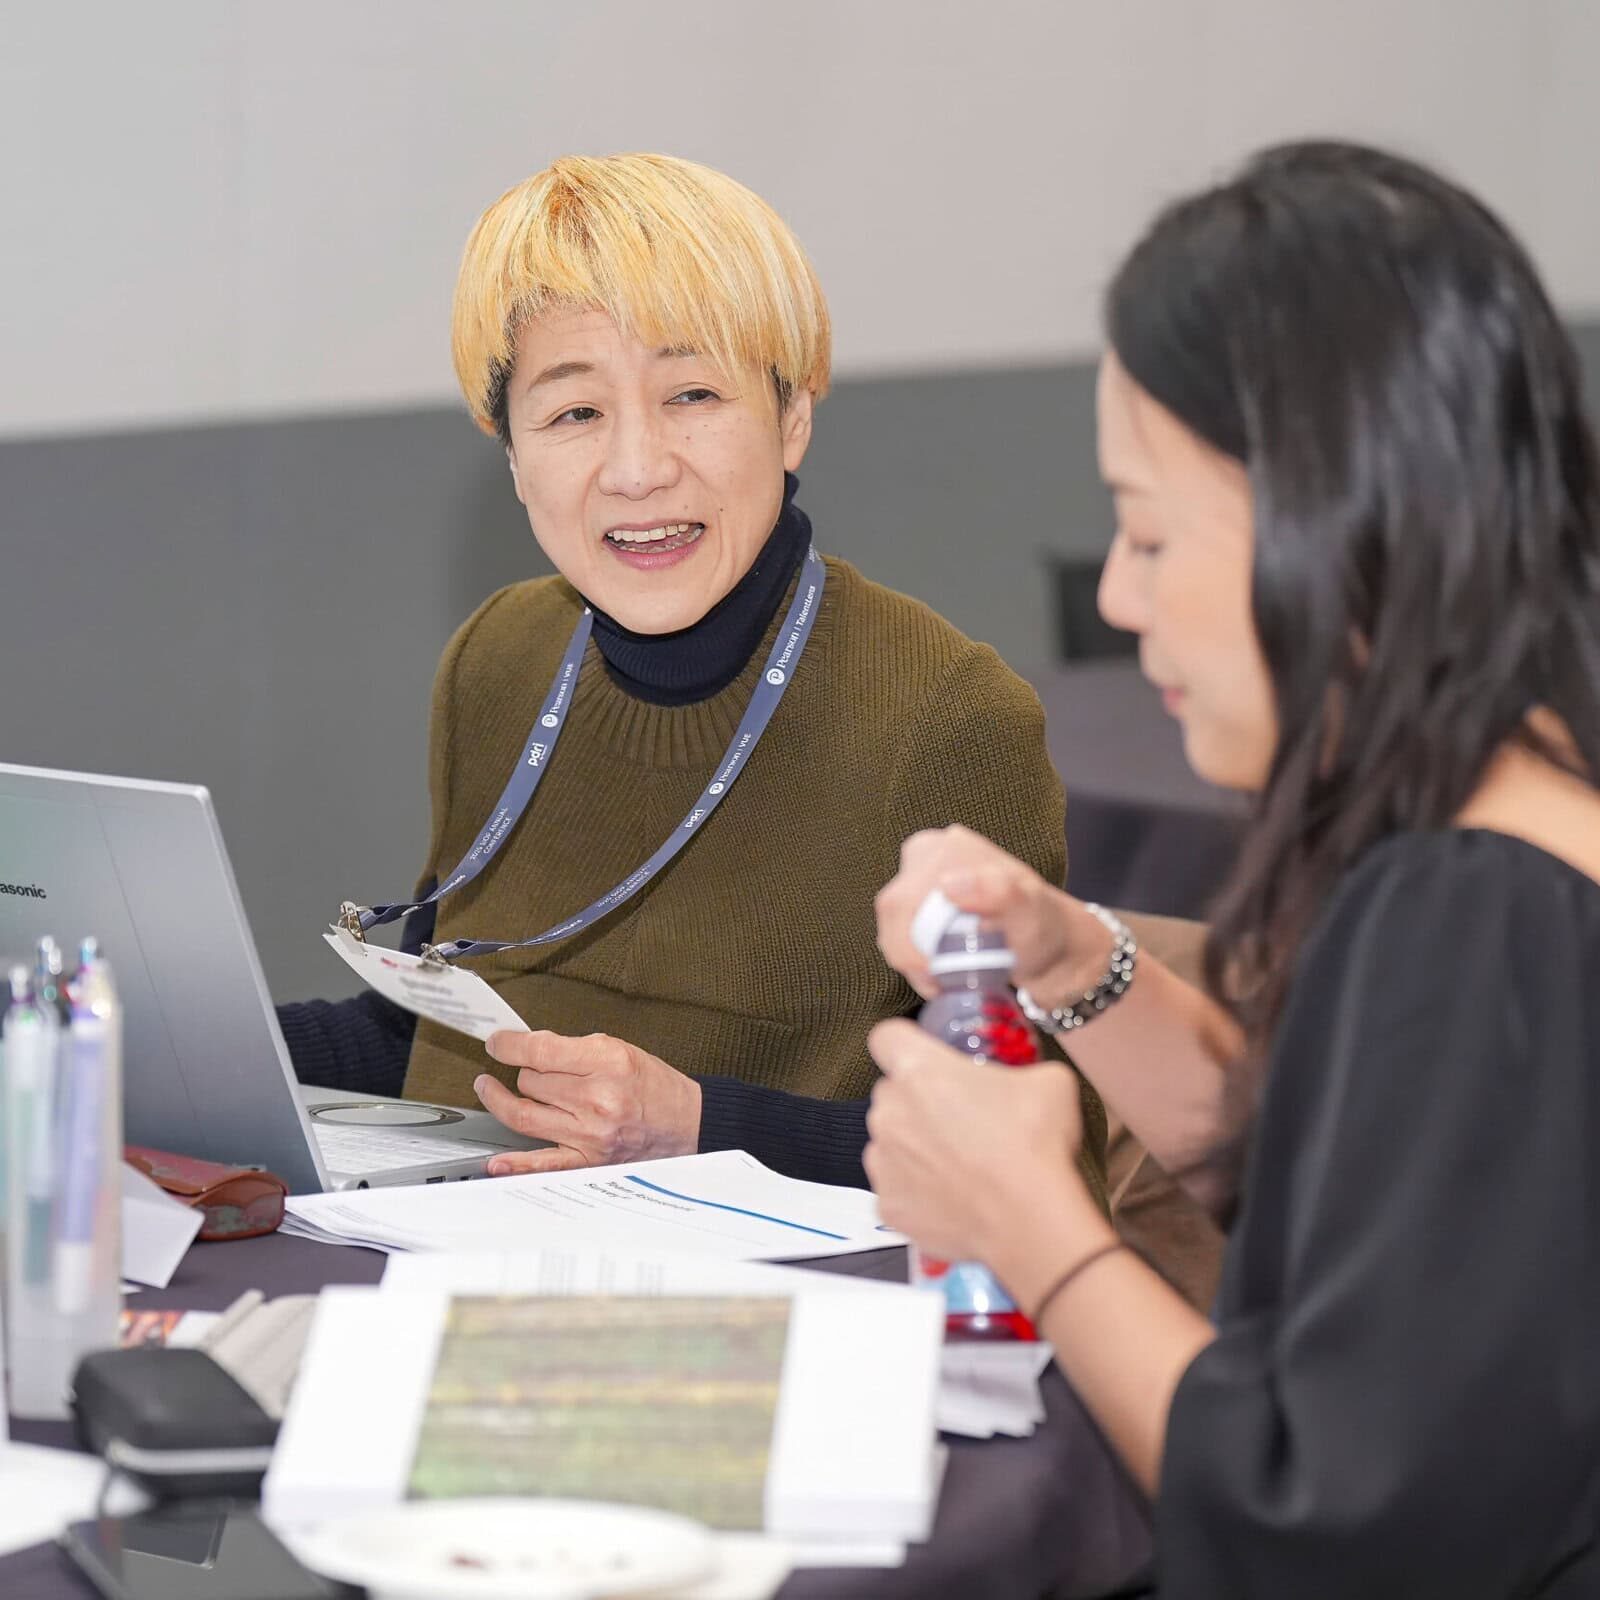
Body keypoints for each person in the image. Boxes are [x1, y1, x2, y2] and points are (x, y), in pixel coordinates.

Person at [865, 141, 1600, 1596]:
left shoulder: (1474, 905)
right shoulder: (1528, 802)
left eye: (1145, 533)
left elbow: (1323, 1516)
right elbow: (1358, 1217)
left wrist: (1028, 1220)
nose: (1122, 601)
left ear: (1333, 518)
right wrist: (1075, 964)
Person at [277, 152, 1105, 1196]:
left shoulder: (943, 717)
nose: (636, 467)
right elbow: (431, 1027)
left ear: (792, 415)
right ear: (513, 455)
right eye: (574, 413)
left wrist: (703, 1125)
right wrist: (157, 1033)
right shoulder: (497, 660)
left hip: (776, 1315)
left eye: (693, 393)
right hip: (476, 1253)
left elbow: (1045, 1155)